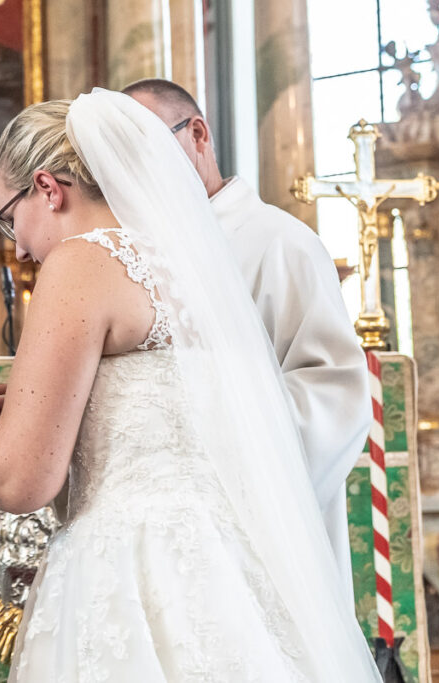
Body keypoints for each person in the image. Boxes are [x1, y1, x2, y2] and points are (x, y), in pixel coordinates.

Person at [0, 89, 381, 681]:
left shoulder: (81, 261)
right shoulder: (192, 262)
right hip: (232, 565)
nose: (24, 250)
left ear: (48, 188)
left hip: (132, 566)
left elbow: (20, 480)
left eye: (11, 222)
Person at [124, 78, 371, 590]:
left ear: (197, 134)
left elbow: (336, 396)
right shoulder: (135, 254)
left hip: (264, 526)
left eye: (147, 148)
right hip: (168, 531)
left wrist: (208, 429)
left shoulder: (281, 244)